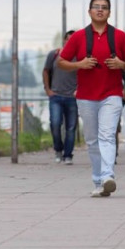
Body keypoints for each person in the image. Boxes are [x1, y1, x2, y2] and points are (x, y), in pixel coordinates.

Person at [57, 0, 125, 197]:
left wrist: (121, 64)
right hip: (86, 96)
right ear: (89, 11)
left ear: (109, 12)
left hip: (112, 94)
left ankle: (108, 176)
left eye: (104, 7)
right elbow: (61, 61)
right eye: (96, 6)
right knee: (92, 140)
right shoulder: (78, 37)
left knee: (107, 135)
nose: (100, 10)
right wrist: (79, 64)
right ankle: (98, 181)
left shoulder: (119, 36)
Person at [42, 30, 78, 165]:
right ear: (64, 41)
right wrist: (48, 89)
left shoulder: (79, 57)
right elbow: (46, 71)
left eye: (73, 40)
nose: (70, 42)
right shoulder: (54, 54)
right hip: (56, 96)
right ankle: (58, 150)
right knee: (55, 123)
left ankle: (68, 155)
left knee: (71, 127)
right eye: (68, 39)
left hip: (72, 97)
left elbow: (85, 74)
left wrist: (79, 90)